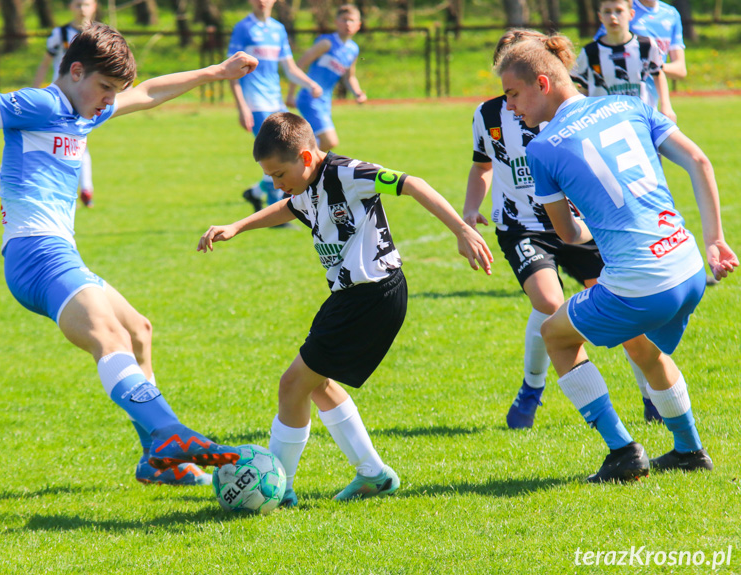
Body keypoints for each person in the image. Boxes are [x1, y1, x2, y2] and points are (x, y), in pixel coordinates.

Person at [0, 24, 259, 487]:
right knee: (108, 337)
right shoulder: (43, 104)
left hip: (56, 252)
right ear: (75, 71)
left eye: (113, 93)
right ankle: (168, 433)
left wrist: (218, 71)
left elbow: (153, 91)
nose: (108, 100)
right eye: (104, 88)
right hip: (35, 253)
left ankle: (155, 459)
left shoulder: (86, 112)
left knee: (138, 331)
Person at [198, 112, 492, 506]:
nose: (276, 184)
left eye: (278, 174)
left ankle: (278, 489)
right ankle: (373, 474)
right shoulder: (307, 184)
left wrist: (461, 229)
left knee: (292, 385)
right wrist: (238, 226)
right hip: (350, 297)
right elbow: (291, 207)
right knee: (316, 383)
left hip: (372, 295)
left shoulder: (346, 173)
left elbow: (412, 183)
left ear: (305, 158)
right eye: (269, 177)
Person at [495, 32, 737, 482]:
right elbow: (700, 162)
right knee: (642, 347)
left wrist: (595, 222)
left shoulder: (543, 148)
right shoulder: (630, 106)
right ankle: (689, 450)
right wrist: (715, 240)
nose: (510, 107)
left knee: (556, 336)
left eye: (512, 94)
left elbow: (568, 233)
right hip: (687, 264)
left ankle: (623, 451)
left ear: (543, 84)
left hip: (644, 280)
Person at [465, 29, 658, 429]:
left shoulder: (571, 105)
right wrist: (471, 208)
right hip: (523, 227)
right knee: (550, 306)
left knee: (622, 308)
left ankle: (652, 394)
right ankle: (534, 388)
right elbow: (482, 166)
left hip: (580, 224)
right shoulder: (488, 115)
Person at [229, 0, 322, 214]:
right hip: (255, 103)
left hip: (276, 102)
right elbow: (231, 72)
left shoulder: (278, 29)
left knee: (290, 149)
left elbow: (289, 68)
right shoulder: (243, 28)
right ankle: (276, 211)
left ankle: (256, 192)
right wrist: (242, 107)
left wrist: (310, 84)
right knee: (277, 153)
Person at [33, 0, 99, 207]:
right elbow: (45, 62)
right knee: (68, 141)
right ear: (70, 8)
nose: (82, 9)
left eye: (86, 4)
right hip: (59, 97)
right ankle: (83, 188)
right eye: (77, 4)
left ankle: (84, 188)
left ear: (94, 6)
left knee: (78, 140)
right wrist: (35, 90)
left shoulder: (98, 34)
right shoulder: (59, 35)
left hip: (84, 97)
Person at [572, 0, 675, 123]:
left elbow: (658, 73)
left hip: (640, 120)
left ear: (631, 14)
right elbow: (583, 88)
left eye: (619, 11)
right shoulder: (590, 52)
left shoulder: (646, 46)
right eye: (607, 12)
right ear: (600, 16)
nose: (613, 17)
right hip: (604, 123)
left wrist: (666, 105)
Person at [285, 4, 366, 152]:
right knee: (330, 141)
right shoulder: (326, 43)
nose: (348, 24)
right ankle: (303, 169)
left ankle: (302, 169)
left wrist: (358, 93)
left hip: (324, 101)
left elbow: (350, 77)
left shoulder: (353, 49)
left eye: (352, 20)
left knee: (317, 144)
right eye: (344, 20)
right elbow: (299, 65)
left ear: (358, 25)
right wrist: (291, 94)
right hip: (309, 97)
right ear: (336, 22)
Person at [594, 0, 687, 82]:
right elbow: (596, 54)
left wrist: (653, 65)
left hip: (652, 94)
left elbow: (680, 70)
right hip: (620, 89)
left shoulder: (671, 14)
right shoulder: (622, 9)